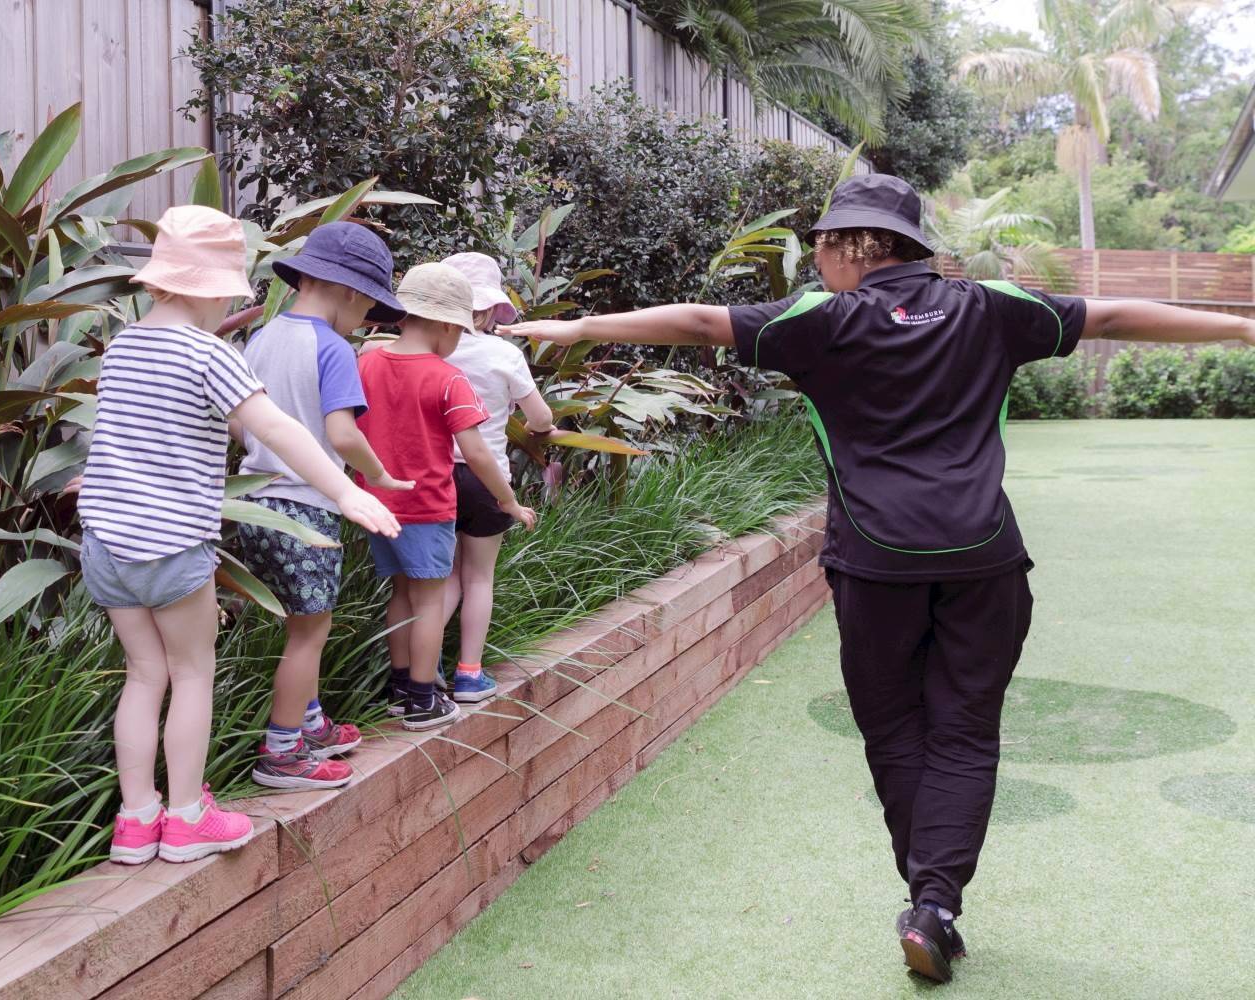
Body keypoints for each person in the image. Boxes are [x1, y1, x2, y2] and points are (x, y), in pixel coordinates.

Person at [502, 174, 1255, 983]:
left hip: (875, 560)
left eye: (821, 248)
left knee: (896, 730)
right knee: (965, 731)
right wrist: (1242, 332)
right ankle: (935, 905)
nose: (816, 264)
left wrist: (575, 323)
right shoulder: (989, 304)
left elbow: (694, 323)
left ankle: (929, 900)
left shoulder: (821, 322)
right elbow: (1109, 315)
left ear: (848, 247)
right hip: (984, 556)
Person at [78, 206, 401, 865]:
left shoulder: (122, 348)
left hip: (106, 545)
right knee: (191, 672)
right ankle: (188, 815)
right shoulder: (209, 355)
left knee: (143, 675)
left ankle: (136, 821)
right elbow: (279, 430)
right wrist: (344, 492)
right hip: (171, 548)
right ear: (219, 287)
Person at [234, 222, 414, 791]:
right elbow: (340, 433)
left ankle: (308, 722)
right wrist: (376, 474)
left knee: (298, 621)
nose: (365, 323)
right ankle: (282, 752)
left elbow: (241, 422)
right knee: (309, 631)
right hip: (305, 508)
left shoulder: (261, 339)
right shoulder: (333, 347)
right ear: (353, 293)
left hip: (252, 504)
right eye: (369, 310)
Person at [355, 262, 537, 730]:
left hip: (378, 502)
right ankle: (423, 697)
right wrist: (507, 502)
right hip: (429, 504)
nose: (459, 340)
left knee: (399, 592)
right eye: (458, 329)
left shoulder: (368, 361)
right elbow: (476, 453)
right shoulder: (446, 377)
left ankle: (398, 687)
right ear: (441, 324)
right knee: (431, 599)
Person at [438, 252, 557, 703]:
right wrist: (538, 429)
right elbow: (540, 416)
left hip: (438, 474)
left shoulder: (434, 351)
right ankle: (469, 673)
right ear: (489, 309)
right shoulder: (503, 354)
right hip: (487, 480)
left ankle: (421, 672)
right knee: (479, 578)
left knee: (445, 578)